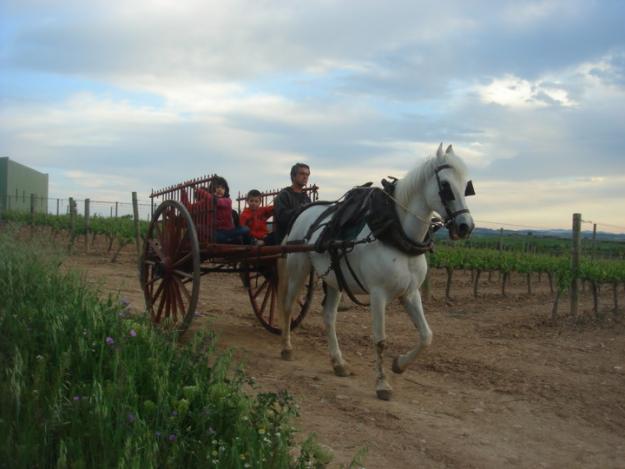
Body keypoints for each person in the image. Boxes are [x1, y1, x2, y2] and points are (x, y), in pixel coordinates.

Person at [181, 176, 251, 244]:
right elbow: (189, 208)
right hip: (215, 233)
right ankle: (229, 240)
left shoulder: (227, 201)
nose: (220, 189)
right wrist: (183, 192)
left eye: (223, 188)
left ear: (226, 191)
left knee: (246, 229)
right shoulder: (206, 202)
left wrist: (196, 188)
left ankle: (247, 245)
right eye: (217, 187)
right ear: (211, 190)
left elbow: (214, 200)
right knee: (198, 227)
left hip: (229, 231)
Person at [274, 163, 311, 243]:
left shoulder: (306, 198)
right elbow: (283, 218)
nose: (305, 177)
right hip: (287, 241)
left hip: (303, 239)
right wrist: (302, 210)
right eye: (302, 174)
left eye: (307, 175)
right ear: (293, 176)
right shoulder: (284, 195)